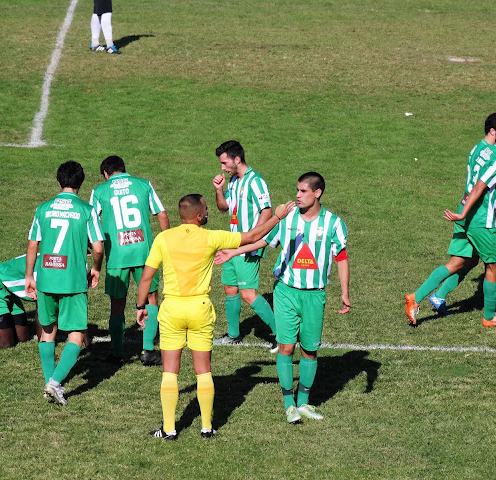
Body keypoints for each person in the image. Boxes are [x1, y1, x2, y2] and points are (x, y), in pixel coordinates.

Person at [136, 194, 294, 439]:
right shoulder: (211, 237)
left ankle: (169, 429)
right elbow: (252, 236)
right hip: (199, 309)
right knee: (203, 372)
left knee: (170, 372)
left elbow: (147, 277)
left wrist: (140, 306)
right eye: (207, 208)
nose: (209, 211)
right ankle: (207, 427)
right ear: (199, 216)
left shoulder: (163, 238)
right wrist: (277, 217)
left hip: (172, 309)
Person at [215, 172, 350, 424]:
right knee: (286, 347)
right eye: (297, 190)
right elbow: (263, 241)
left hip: (314, 295)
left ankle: (304, 403)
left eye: (303, 191)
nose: (297, 195)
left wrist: (344, 292)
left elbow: (341, 258)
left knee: (310, 350)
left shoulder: (333, 223)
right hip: (286, 292)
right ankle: (289, 405)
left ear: (317, 193)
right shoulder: (287, 218)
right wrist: (234, 251)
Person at [405, 113, 496, 328]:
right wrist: (466, 214)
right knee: (493, 266)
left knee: (459, 263)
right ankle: (490, 316)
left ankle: (415, 298)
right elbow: (480, 187)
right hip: (480, 220)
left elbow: (483, 177)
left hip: (465, 210)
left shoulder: (479, 149)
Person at [25, 161, 104, 406]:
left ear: (58, 182)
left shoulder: (43, 209)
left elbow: (33, 244)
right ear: (81, 183)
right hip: (73, 280)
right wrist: (96, 268)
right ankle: (54, 383)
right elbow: (98, 247)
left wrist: (29, 276)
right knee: (76, 335)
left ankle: (50, 381)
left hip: (46, 278)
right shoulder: (86, 210)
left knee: (48, 331)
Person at [89, 155, 169, 366]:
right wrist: (168, 243)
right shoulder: (144, 185)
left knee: (117, 304)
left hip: (117, 255)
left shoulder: (99, 191)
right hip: (144, 253)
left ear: (106, 174)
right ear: (124, 169)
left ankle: (117, 353)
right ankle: (149, 351)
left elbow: (91, 221)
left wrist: (90, 247)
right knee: (151, 298)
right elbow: (161, 214)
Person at [212, 140, 278, 352]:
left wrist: (253, 237)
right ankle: (233, 335)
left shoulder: (256, 182)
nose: (222, 167)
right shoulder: (233, 181)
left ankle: (282, 335)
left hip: (247, 246)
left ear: (237, 159)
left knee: (248, 293)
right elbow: (223, 208)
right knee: (230, 288)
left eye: (225, 163)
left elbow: (266, 211)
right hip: (231, 244)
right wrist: (219, 190)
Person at [428, 200, 496, 316]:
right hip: (477, 221)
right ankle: (422, 297)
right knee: (489, 264)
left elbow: (486, 193)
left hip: (472, 217)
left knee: (473, 261)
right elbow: (480, 192)